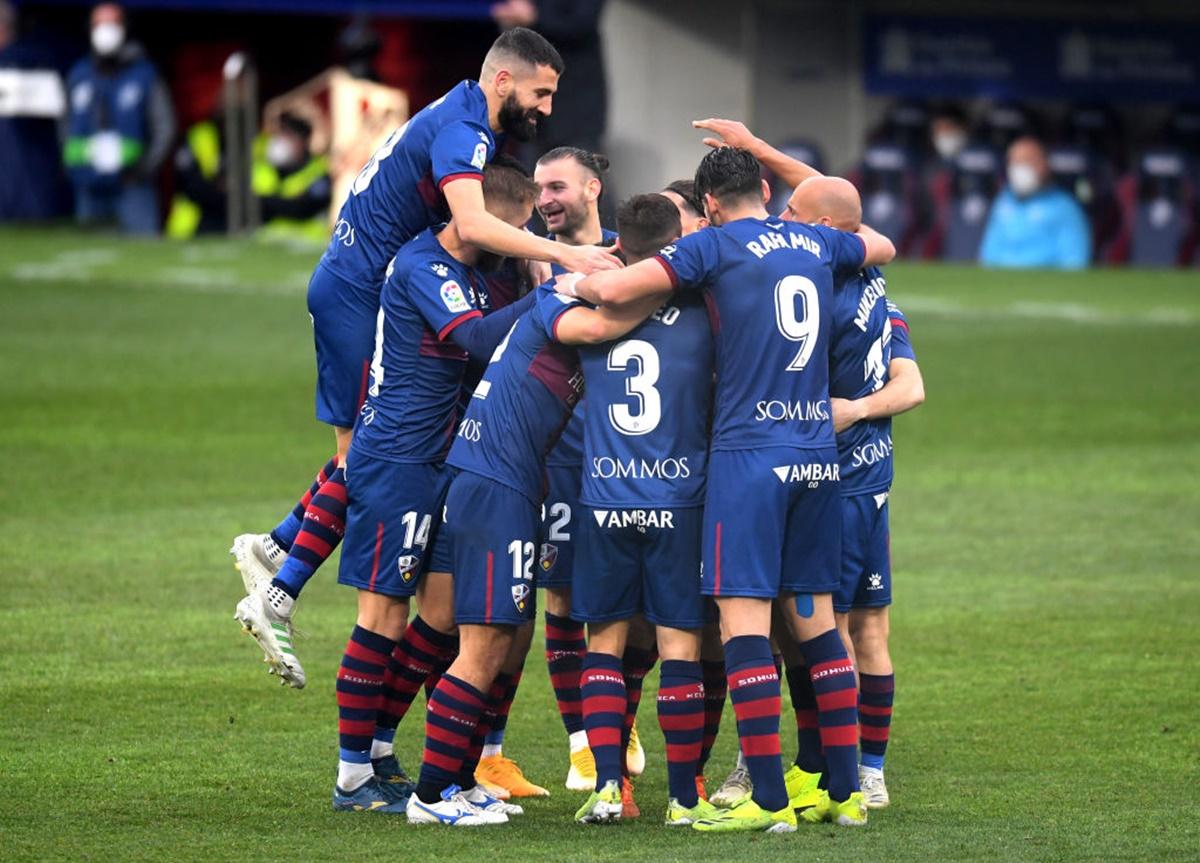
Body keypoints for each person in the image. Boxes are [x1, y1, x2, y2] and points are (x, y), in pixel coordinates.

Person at [230, 27, 621, 688]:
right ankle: (278, 589)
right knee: (369, 454)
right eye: (542, 92)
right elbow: (469, 223)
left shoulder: (462, 115)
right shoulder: (465, 130)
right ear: (504, 80)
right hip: (360, 289)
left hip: (360, 282)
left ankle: (275, 548)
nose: (548, 108)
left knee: (367, 452)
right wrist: (563, 257)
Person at [561, 147, 896, 832]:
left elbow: (623, 291)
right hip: (816, 455)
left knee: (743, 622)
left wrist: (577, 282)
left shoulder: (711, 245)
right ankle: (844, 789)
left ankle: (767, 799)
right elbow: (880, 241)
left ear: (709, 205)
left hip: (749, 459)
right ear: (766, 188)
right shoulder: (814, 238)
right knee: (816, 620)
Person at [405, 204, 668, 828]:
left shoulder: (567, 300)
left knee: (492, 646)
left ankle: (459, 783)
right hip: (496, 484)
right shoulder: (555, 303)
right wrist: (645, 283)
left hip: (501, 481)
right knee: (484, 644)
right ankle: (432, 794)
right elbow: (598, 330)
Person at [326, 158, 542, 814]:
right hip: (398, 457)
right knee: (382, 615)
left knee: (444, 613)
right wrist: (554, 290)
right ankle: (353, 773)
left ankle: (386, 749)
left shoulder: (486, 269)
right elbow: (477, 340)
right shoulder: (423, 265)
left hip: (450, 460)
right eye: (518, 230)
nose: (520, 243)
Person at [569, 192, 721, 826]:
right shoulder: (705, 307)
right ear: (675, 245)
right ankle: (685, 797)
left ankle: (608, 789)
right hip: (678, 498)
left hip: (603, 496)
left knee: (604, 645)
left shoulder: (591, 298)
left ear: (618, 242)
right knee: (680, 649)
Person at [780, 176, 925, 815]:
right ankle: (869, 772)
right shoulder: (877, 289)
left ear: (832, 232)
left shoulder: (813, 294)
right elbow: (911, 387)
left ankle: (830, 776)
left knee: (821, 632)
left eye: (792, 212)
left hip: (828, 484)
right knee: (868, 629)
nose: (781, 219)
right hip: (873, 484)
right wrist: (866, 409)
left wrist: (844, 412)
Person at [62, 2, 174, 234]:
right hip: (89, 183)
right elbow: (64, 124)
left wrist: (145, 167)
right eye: (99, 24)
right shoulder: (79, 74)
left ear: (124, 27)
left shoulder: (144, 74)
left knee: (141, 256)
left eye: (111, 23)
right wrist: (74, 165)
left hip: (133, 183)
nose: (105, 30)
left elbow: (165, 127)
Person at [979, 136, 1091, 269]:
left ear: (1044, 164)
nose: (1019, 168)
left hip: (1043, 284)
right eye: (1014, 162)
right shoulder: (1003, 201)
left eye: (1026, 161)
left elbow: (1074, 261)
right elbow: (988, 253)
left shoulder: (1064, 207)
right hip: (1001, 282)